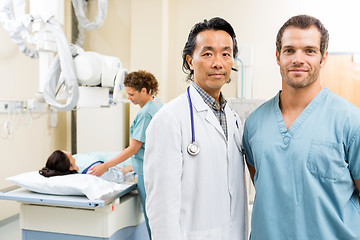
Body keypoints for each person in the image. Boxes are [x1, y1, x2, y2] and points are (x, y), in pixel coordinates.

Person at [242, 14, 360, 240]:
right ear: (278, 56)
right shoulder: (255, 123)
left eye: (309, 50)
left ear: (323, 58)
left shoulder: (350, 121)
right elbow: (264, 184)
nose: (298, 59)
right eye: (289, 50)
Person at [143, 17, 248, 240]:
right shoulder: (169, 119)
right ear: (190, 61)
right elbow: (161, 209)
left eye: (226, 54)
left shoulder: (233, 118)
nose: (218, 63)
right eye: (208, 53)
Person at [88, 70, 162, 239]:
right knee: (156, 215)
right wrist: (130, 166)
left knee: (152, 217)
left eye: (131, 94)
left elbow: (134, 148)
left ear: (144, 90)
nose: (128, 98)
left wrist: (105, 166)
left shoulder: (145, 114)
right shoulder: (156, 103)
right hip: (148, 167)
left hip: (148, 172)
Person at [39, 150, 134, 183]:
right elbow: (118, 175)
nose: (70, 153)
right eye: (70, 156)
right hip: (126, 165)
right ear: (70, 167)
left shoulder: (77, 162)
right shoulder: (92, 172)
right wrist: (128, 168)